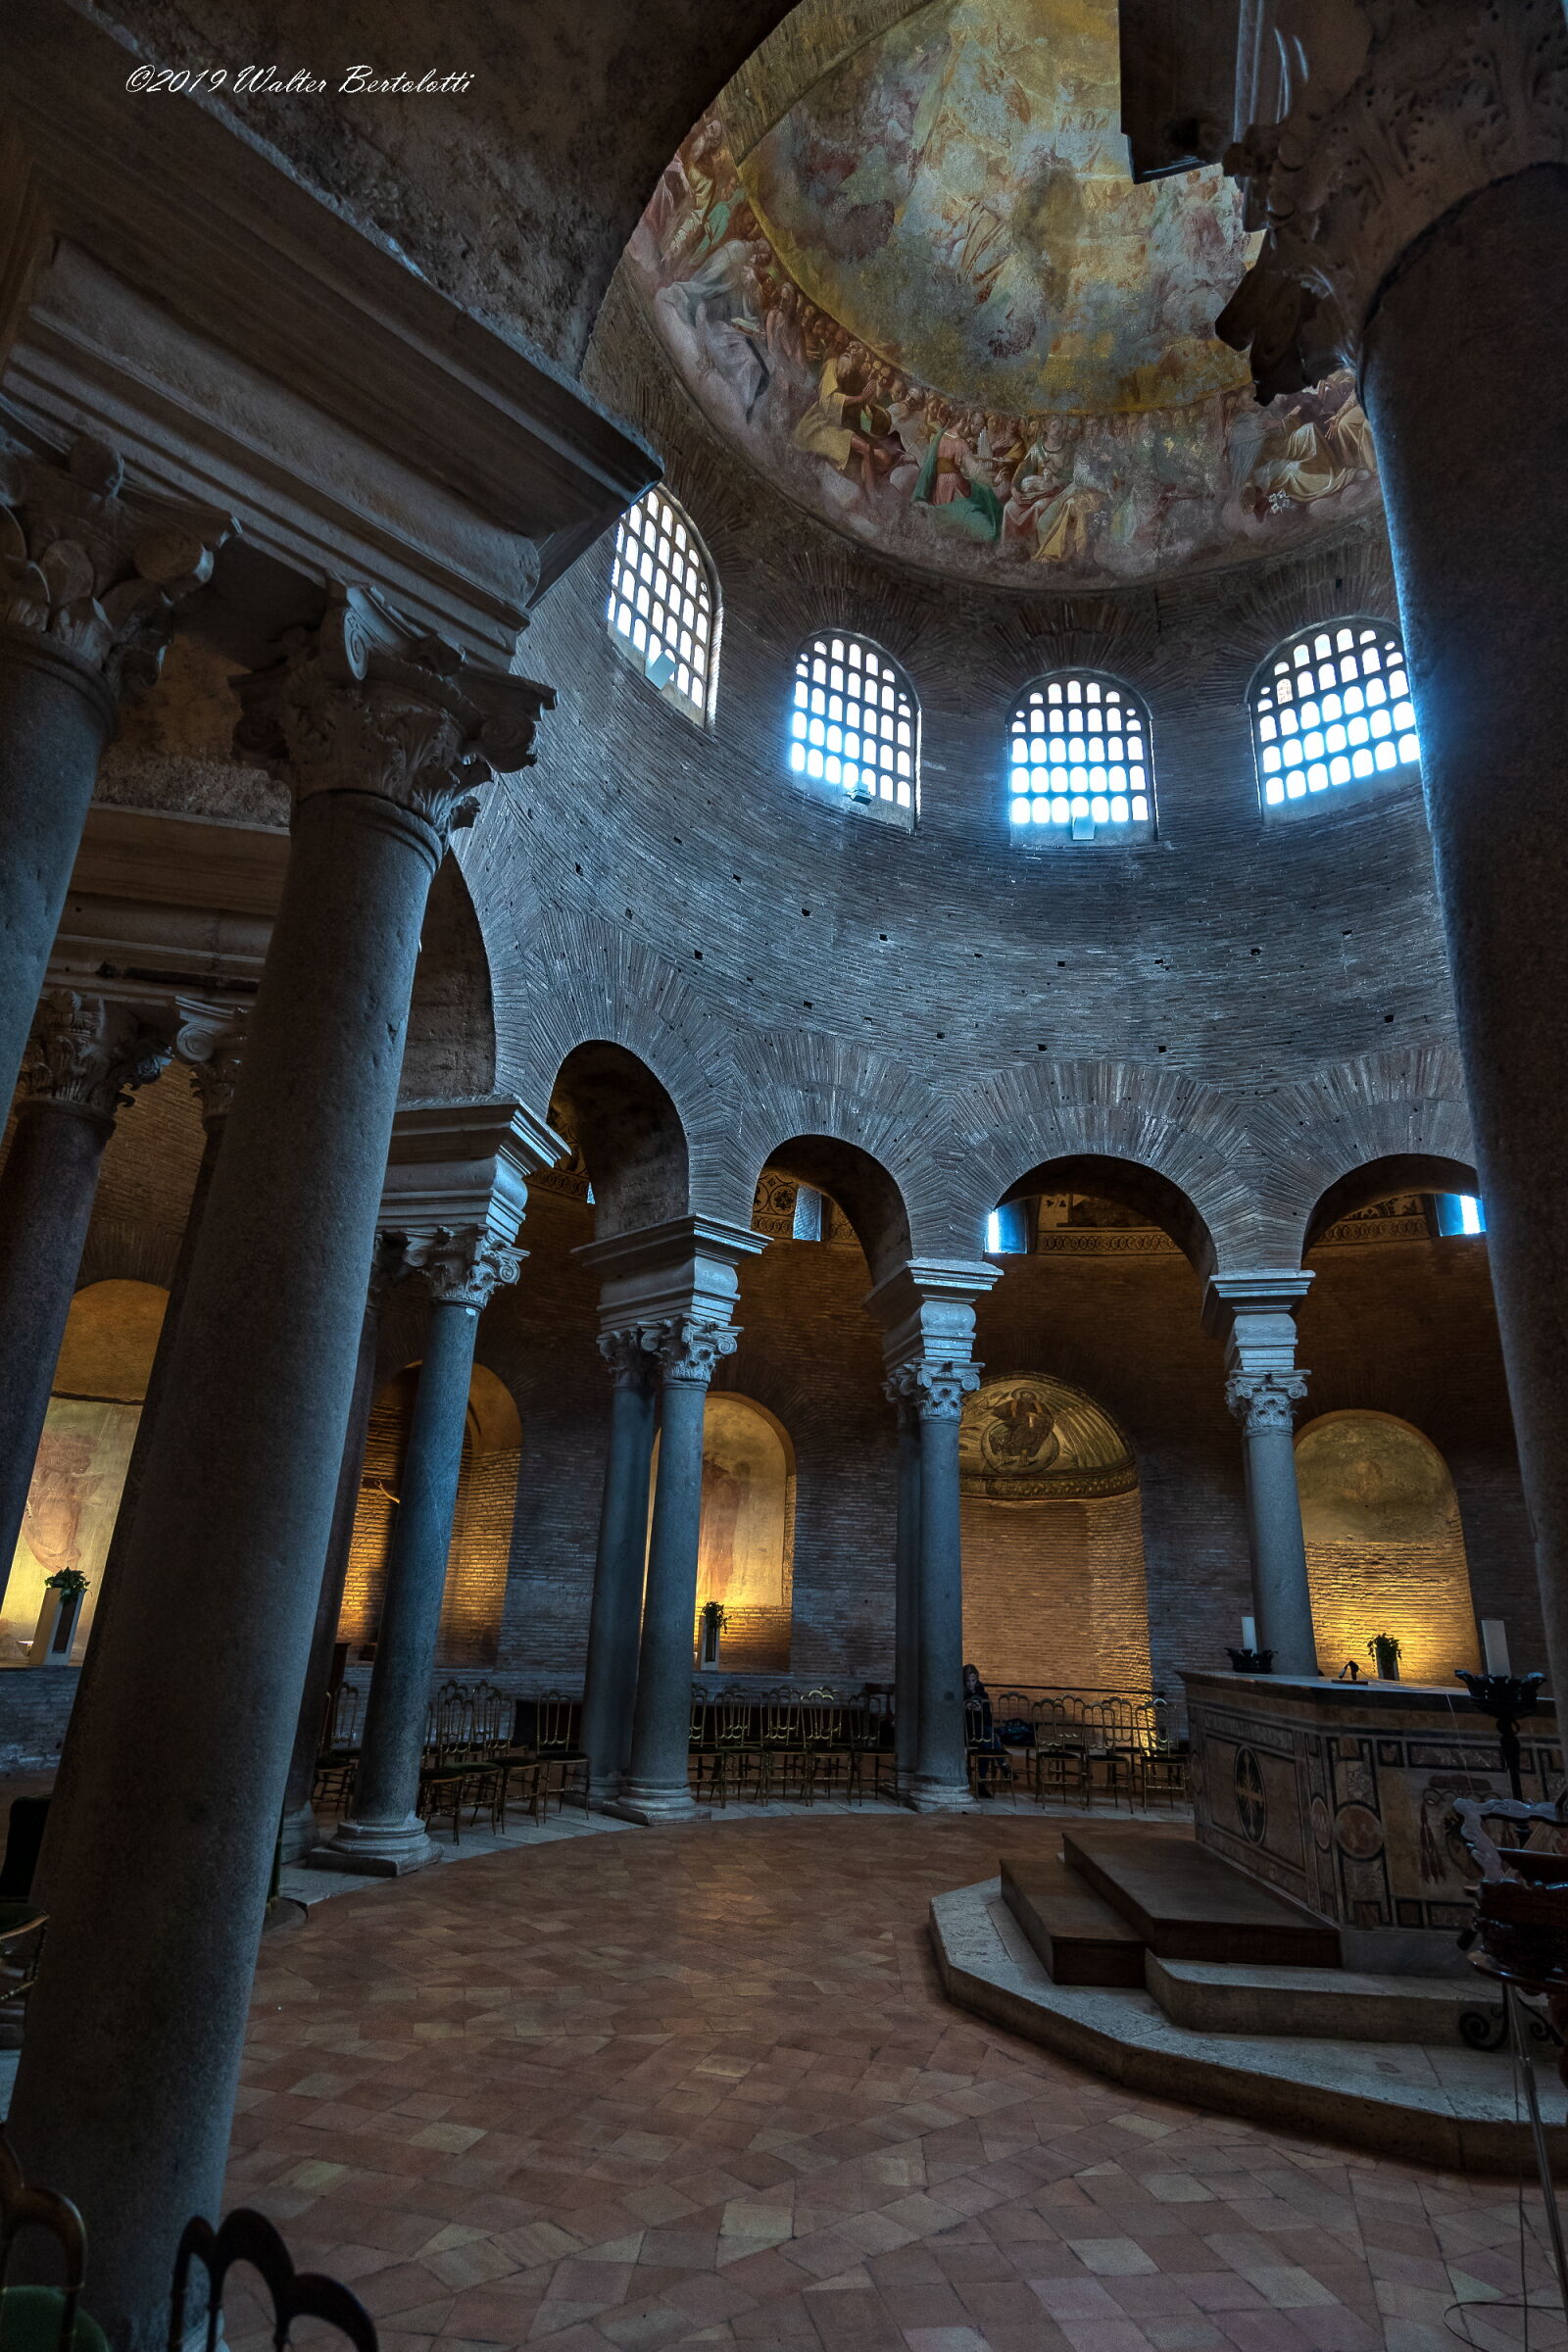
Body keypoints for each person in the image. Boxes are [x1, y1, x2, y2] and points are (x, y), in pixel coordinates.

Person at [962, 1662, 1009, 1798]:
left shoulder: (982, 1694)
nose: (971, 1684)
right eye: (968, 1681)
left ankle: (981, 1783)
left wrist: (981, 1709)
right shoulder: (961, 1693)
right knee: (990, 1734)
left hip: (982, 1731)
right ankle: (1003, 1764)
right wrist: (966, 1708)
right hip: (967, 1731)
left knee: (987, 1744)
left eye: (973, 1680)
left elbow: (989, 1717)